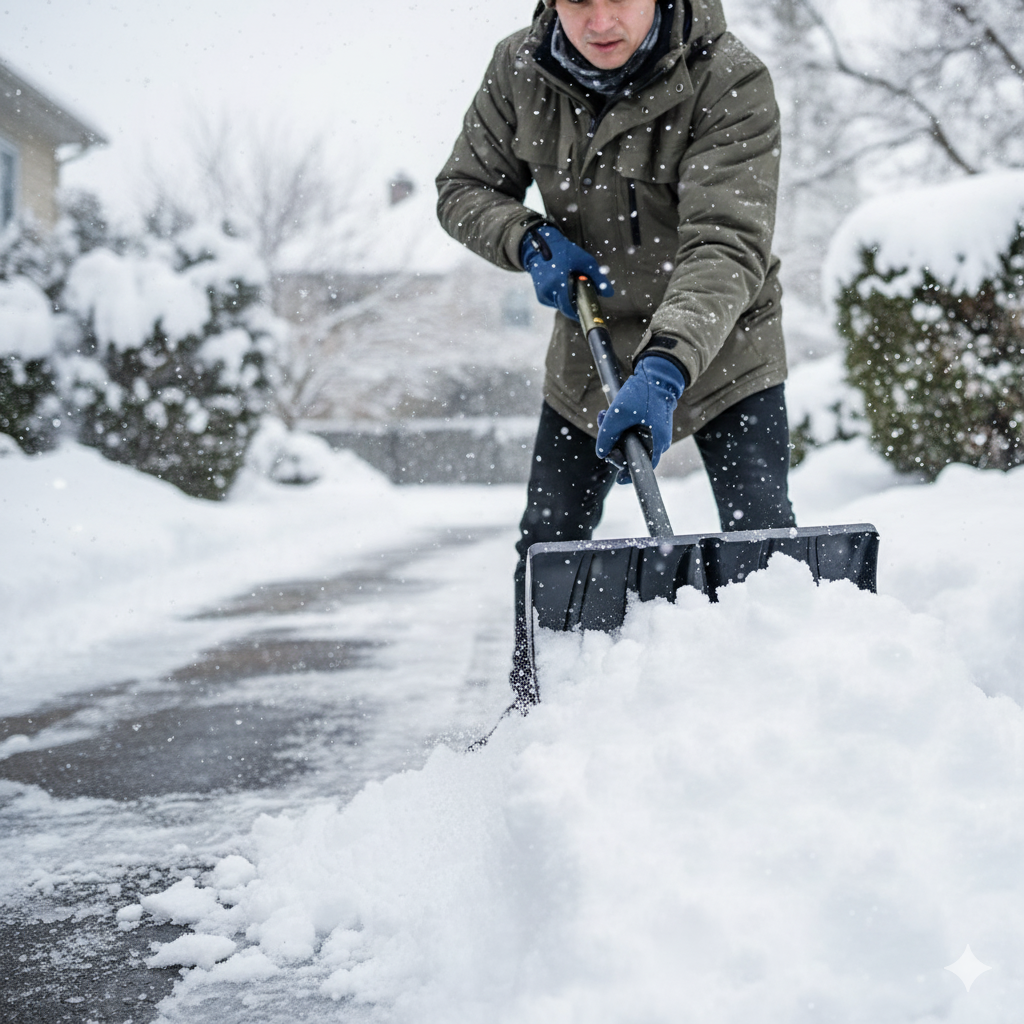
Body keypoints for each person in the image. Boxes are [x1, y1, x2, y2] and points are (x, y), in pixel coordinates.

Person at [436, 0, 796, 706]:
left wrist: (664, 368)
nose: (598, 21)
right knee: (548, 539)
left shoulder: (728, 77)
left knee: (763, 537)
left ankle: (778, 712)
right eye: (576, 1)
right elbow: (464, 188)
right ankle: (535, 715)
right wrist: (527, 239)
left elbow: (726, 243)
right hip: (589, 342)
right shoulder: (520, 69)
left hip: (725, 344)